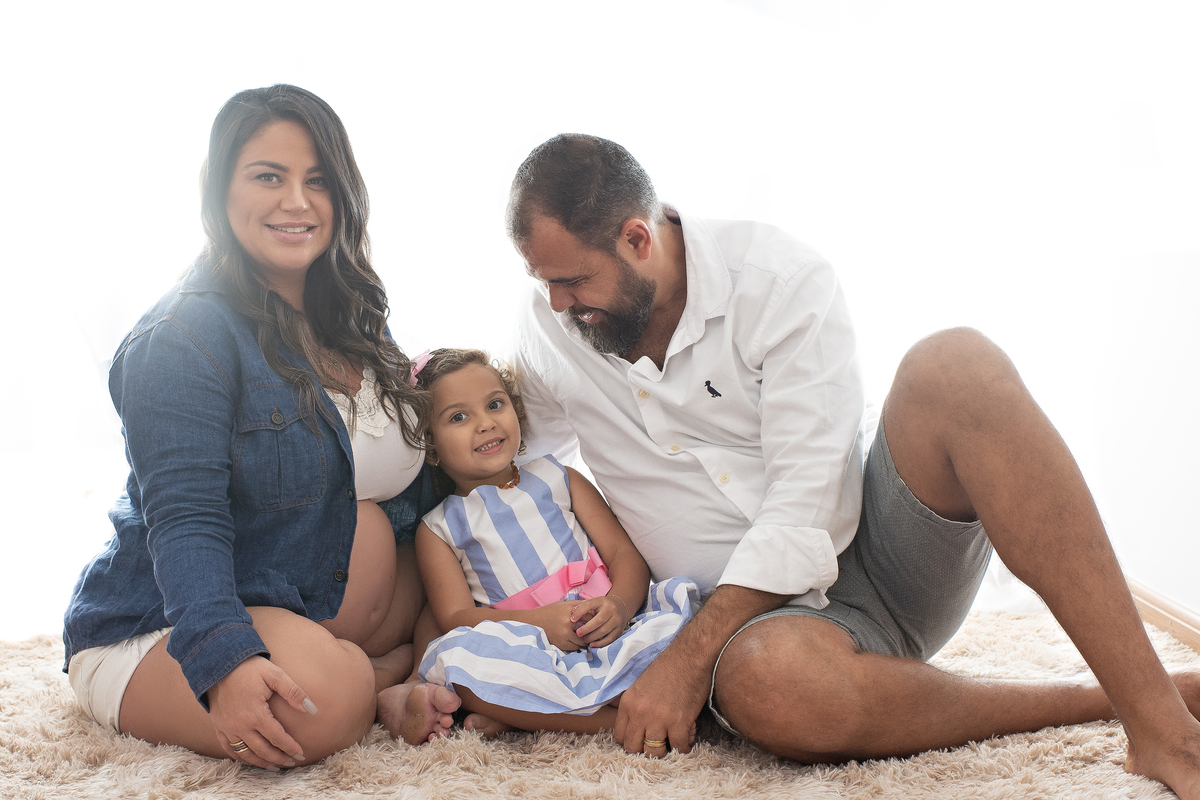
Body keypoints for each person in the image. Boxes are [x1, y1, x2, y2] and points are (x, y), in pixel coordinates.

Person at [506, 133, 1200, 798]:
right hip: (762, 635)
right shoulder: (551, 324)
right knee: (768, 684)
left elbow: (806, 510)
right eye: (544, 284)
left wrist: (685, 664)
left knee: (956, 363)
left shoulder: (778, 280)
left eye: (572, 280)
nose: (559, 303)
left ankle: (1162, 725)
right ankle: (1091, 700)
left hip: (881, 563)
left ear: (637, 238)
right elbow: (510, 465)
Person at [62, 84, 450, 770]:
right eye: (268, 177)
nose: (296, 201)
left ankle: (372, 668)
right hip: (169, 625)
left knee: (464, 581)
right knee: (318, 703)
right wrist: (225, 663)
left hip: (305, 600)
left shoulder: (354, 311)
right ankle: (374, 679)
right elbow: (183, 521)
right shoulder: (182, 338)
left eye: (318, 181)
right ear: (217, 187)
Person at [401, 348, 697, 742]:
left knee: (679, 645)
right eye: (458, 416)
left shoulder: (558, 477)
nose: (486, 423)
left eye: (495, 404)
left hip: (608, 626)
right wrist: (539, 623)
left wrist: (621, 607)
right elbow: (455, 617)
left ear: (516, 409)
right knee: (455, 661)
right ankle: (613, 720)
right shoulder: (439, 527)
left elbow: (625, 554)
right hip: (527, 647)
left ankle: (528, 715)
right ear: (431, 445)